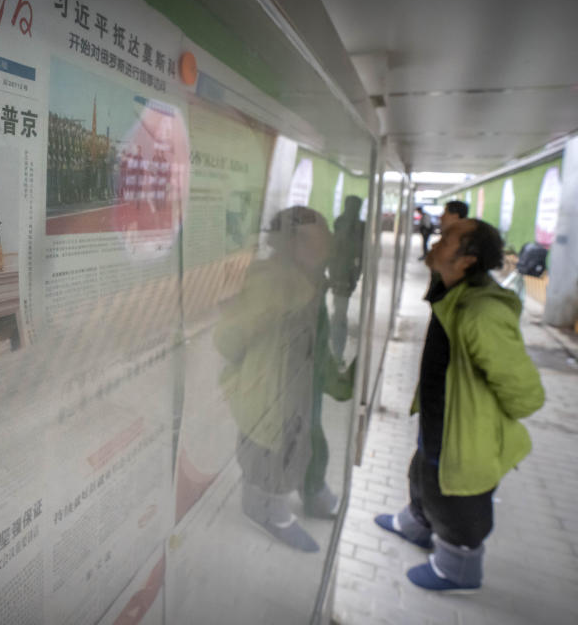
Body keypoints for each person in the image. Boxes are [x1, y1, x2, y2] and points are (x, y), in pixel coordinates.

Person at [375, 218, 544, 592]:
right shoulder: (452, 291)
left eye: (448, 239)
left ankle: (458, 567)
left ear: (467, 259)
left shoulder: (481, 311)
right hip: (440, 421)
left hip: (463, 429)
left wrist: (482, 416)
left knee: (457, 497)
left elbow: (525, 393)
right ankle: (416, 524)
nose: (436, 241)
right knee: (424, 473)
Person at [215, 207, 353, 553]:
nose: (323, 246)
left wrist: (338, 381)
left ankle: (308, 491)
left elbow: (317, 347)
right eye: (310, 238)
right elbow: (228, 338)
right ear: (286, 242)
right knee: (267, 448)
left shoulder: (309, 281)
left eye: (324, 237)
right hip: (270, 393)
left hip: (298, 389)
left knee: (301, 441)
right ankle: (266, 509)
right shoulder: (274, 282)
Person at [328, 195, 365, 361]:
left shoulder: (358, 226)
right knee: (339, 315)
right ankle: (336, 351)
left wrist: (355, 275)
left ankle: (337, 352)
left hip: (344, 275)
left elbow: (361, 254)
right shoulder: (342, 223)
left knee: (339, 314)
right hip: (339, 274)